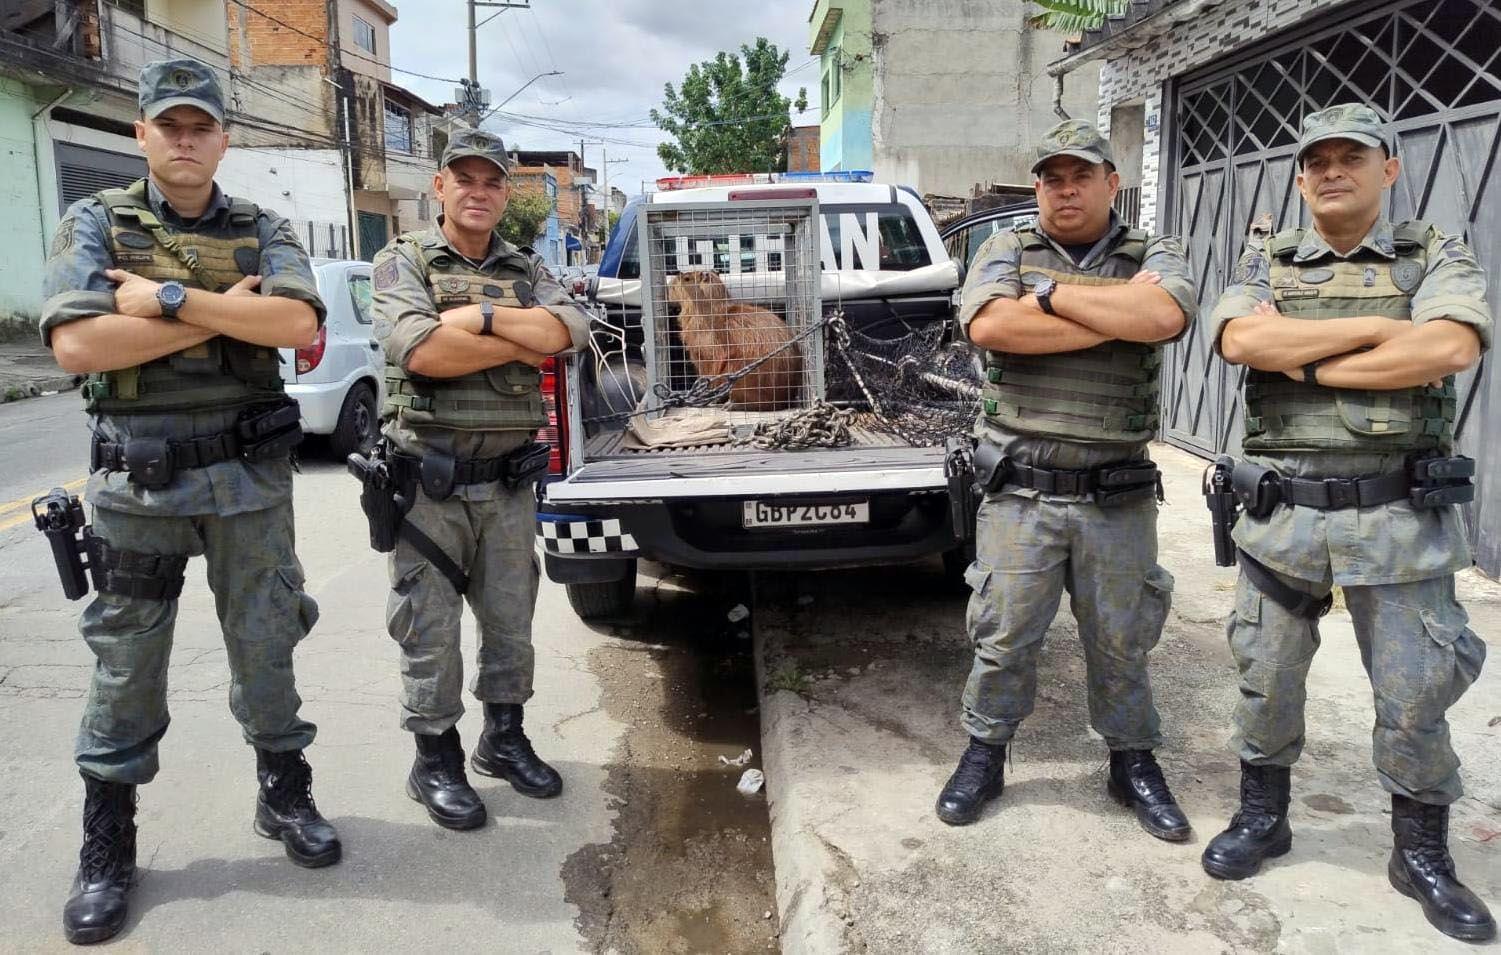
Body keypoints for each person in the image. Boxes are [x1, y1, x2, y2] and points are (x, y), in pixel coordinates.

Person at [39, 58, 338, 945]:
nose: (183, 139)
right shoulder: (95, 221)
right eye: (167, 125)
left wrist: (164, 299)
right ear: (140, 134)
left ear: (223, 139)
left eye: (199, 125)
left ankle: (284, 793)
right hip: (139, 485)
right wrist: (219, 309)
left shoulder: (263, 224)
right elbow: (79, 345)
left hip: (249, 483)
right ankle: (108, 843)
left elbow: (297, 324)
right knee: (126, 663)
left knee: (267, 641)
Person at [1203, 103, 1493, 942]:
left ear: (1386, 169)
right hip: (1282, 515)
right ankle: (1263, 817)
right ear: (1300, 179)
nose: (1331, 171)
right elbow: (1238, 342)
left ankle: (1419, 852)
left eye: (1350, 157)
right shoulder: (1265, 256)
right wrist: (1378, 331)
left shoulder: (1432, 251)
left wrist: (1301, 354)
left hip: (1396, 517)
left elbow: (1448, 348)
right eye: (1316, 161)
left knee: (1413, 691)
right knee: (1266, 676)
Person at [937, 120, 1198, 841]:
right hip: (1021, 490)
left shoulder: (1155, 252)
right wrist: (1115, 313)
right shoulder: (1004, 247)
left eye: (1081, 176)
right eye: (1052, 178)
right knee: (1004, 636)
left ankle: (1131, 761)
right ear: (1038, 188)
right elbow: (992, 327)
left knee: (1121, 641)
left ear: (1111, 183)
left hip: (1117, 492)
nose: (1065, 189)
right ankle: (985, 753)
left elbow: (1164, 314)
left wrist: (1047, 298)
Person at [368, 129, 589, 830]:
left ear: (504, 193)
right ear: (439, 187)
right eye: (464, 179)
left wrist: (482, 316)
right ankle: (435, 759)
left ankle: (504, 738)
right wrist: (518, 336)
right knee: (428, 628)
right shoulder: (402, 259)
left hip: (507, 484)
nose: (478, 192)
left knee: (510, 621)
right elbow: (421, 351)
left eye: (492, 181)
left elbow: (569, 332)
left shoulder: (527, 265)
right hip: (427, 485)